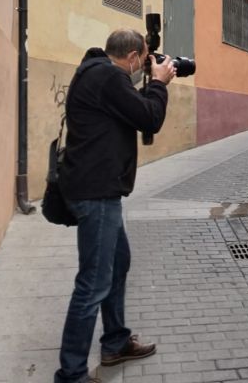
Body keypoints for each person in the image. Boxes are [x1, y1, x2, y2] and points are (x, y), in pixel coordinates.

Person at [55, 28, 176, 383]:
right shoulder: (110, 77)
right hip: (96, 192)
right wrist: (160, 83)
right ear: (135, 57)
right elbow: (149, 117)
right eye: (144, 61)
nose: (144, 67)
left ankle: (115, 342)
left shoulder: (94, 71)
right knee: (93, 282)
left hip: (96, 188)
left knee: (118, 263)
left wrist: (148, 85)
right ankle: (72, 373)